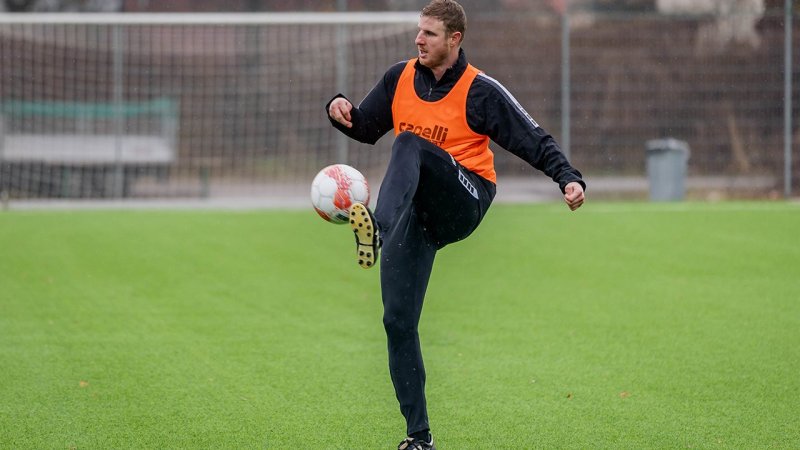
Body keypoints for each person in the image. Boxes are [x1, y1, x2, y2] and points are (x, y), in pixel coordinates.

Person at [326, 1, 585, 448]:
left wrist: (567, 176)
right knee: (397, 322)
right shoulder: (399, 77)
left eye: (429, 33)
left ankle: (378, 230)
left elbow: (531, 137)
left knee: (410, 142)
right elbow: (366, 127)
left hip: (466, 197)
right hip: (416, 215)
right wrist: (338, 108)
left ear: (454, 39)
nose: (418, 40)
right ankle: (419, 437)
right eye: (418, 31)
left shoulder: (479, 90)